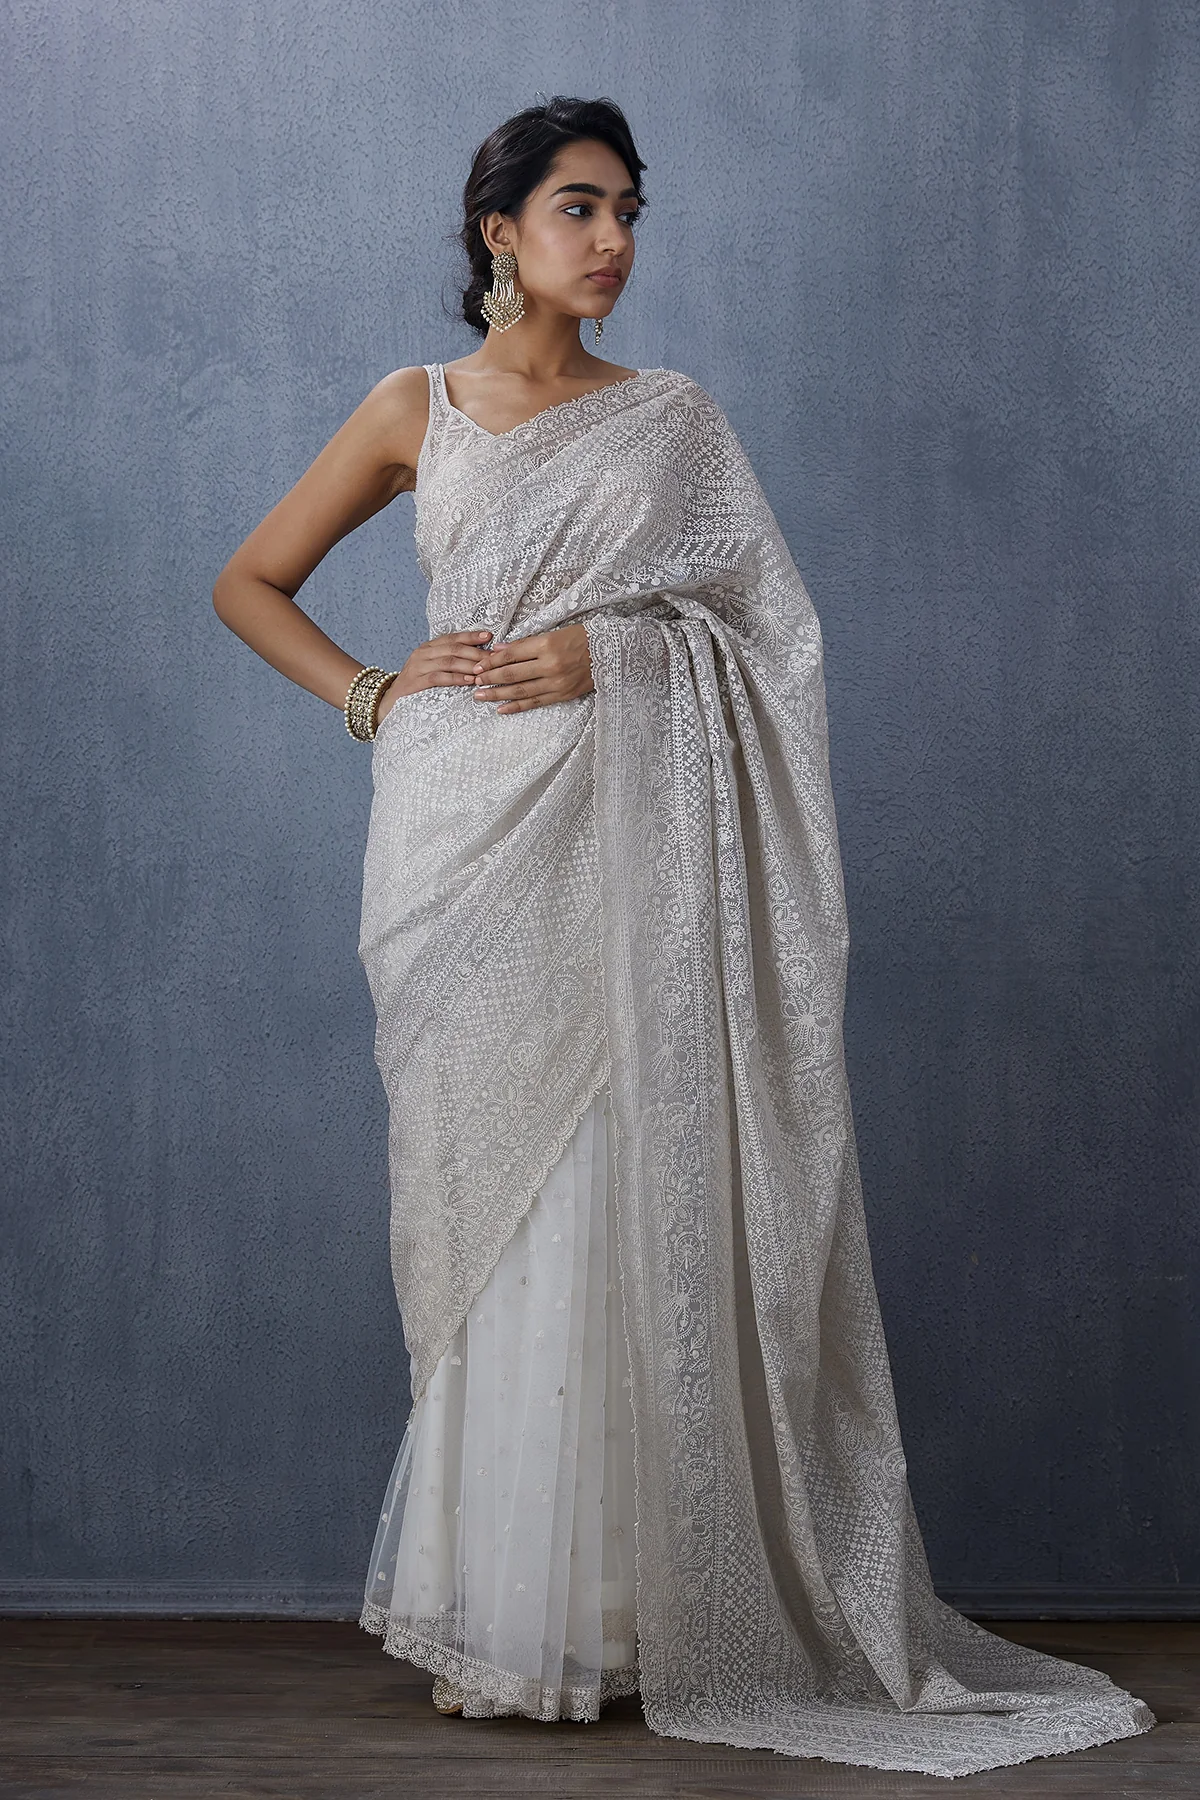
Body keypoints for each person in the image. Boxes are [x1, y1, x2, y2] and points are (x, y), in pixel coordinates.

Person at [212, 94, 1157, 1779]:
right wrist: (373, 691)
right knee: (484, 1210)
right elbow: (249, 581)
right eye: (580, 208)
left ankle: (633, 1614)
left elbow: (771, 636)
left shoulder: (674, 421)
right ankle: (508, 1614)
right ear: (501, 232)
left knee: (615, 1185)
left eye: (631, 212)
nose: (614, 241)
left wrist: (618, 653)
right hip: (456, 846)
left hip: (632, 844)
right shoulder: (414, 407)